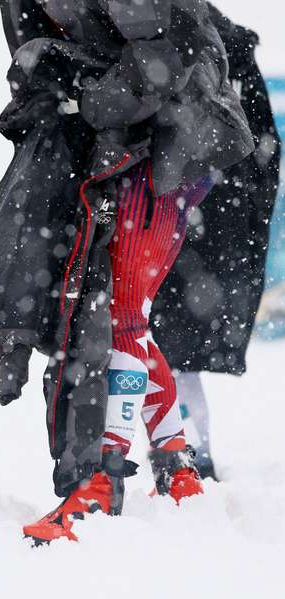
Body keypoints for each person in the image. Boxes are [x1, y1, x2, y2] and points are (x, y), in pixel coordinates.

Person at [0, 0, 256, 544]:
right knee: (126, 317)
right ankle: (177, 469)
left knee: (119, 316)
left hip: (164, 142)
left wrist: (92, 102)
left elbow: (171, 49)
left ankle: (102, 482)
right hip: (130, 143)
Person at [151, 5, 281, 481]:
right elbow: (264, 152)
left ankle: (180, 458)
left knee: (154, 348)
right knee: (171, 354)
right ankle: (188, 458)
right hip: (207, 220)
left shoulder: (176, 42)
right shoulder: (225, 51)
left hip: (181, 218)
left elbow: (260, 151)